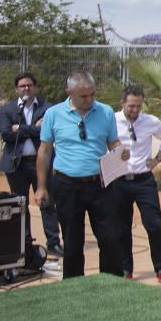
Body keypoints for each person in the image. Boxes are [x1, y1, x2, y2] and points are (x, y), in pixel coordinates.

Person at [34, 71, 129, 279]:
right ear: (69, 92)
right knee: (73, 241)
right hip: (66, 185)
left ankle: (111, 282)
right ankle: (74, 286)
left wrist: (120, 150)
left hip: (100, 185)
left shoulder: (105, 112)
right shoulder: (53, 114)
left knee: (110, 237)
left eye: (92, 94)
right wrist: (41, 186)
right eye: (83, 96)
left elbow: (112, 142)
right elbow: (45, 151)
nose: (89, 100)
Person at [0, 71, 62, 269]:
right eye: (22, 86)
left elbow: (49, 132)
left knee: (47, 202)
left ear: (35, 87)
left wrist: (21, 128)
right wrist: (31, 127)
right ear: (16, 89)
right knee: (20, 204)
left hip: (40, 162)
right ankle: (24, 243)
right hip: (16, 164)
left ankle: (53, 242)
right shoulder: (8, 109)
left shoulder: (47, 108)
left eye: (29, 85)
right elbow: (6, 134)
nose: (26, 88)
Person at [113, 85, 161, 285]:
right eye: (131, 106)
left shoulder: (150, 121)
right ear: (122, 103)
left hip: (144, 180)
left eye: (138, 106)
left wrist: (157, 158)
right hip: (120, 181)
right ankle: (125, 269)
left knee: (154, 223)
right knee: (122, 227)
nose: (135, 110)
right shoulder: (111, 121)